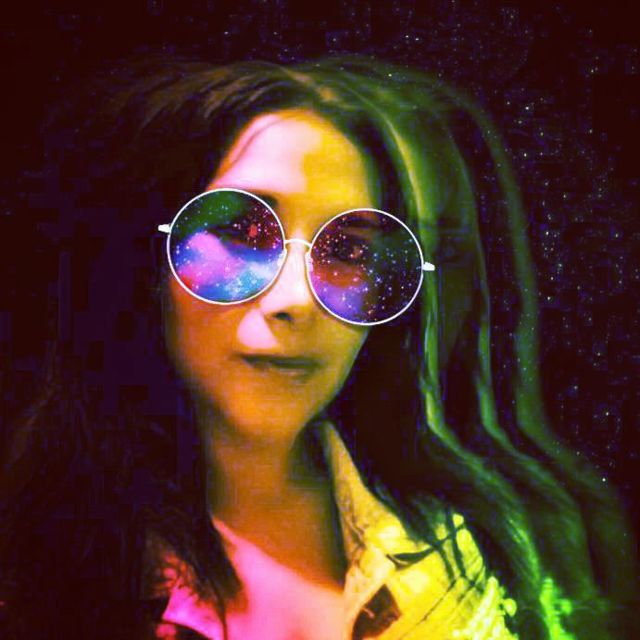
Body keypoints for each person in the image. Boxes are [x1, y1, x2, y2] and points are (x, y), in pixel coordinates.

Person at [0, 54, 635, 640]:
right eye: (240, 230)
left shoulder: (474, 545)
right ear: (145, 262)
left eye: (350, 249)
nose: (298, 299)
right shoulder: (36, 564)